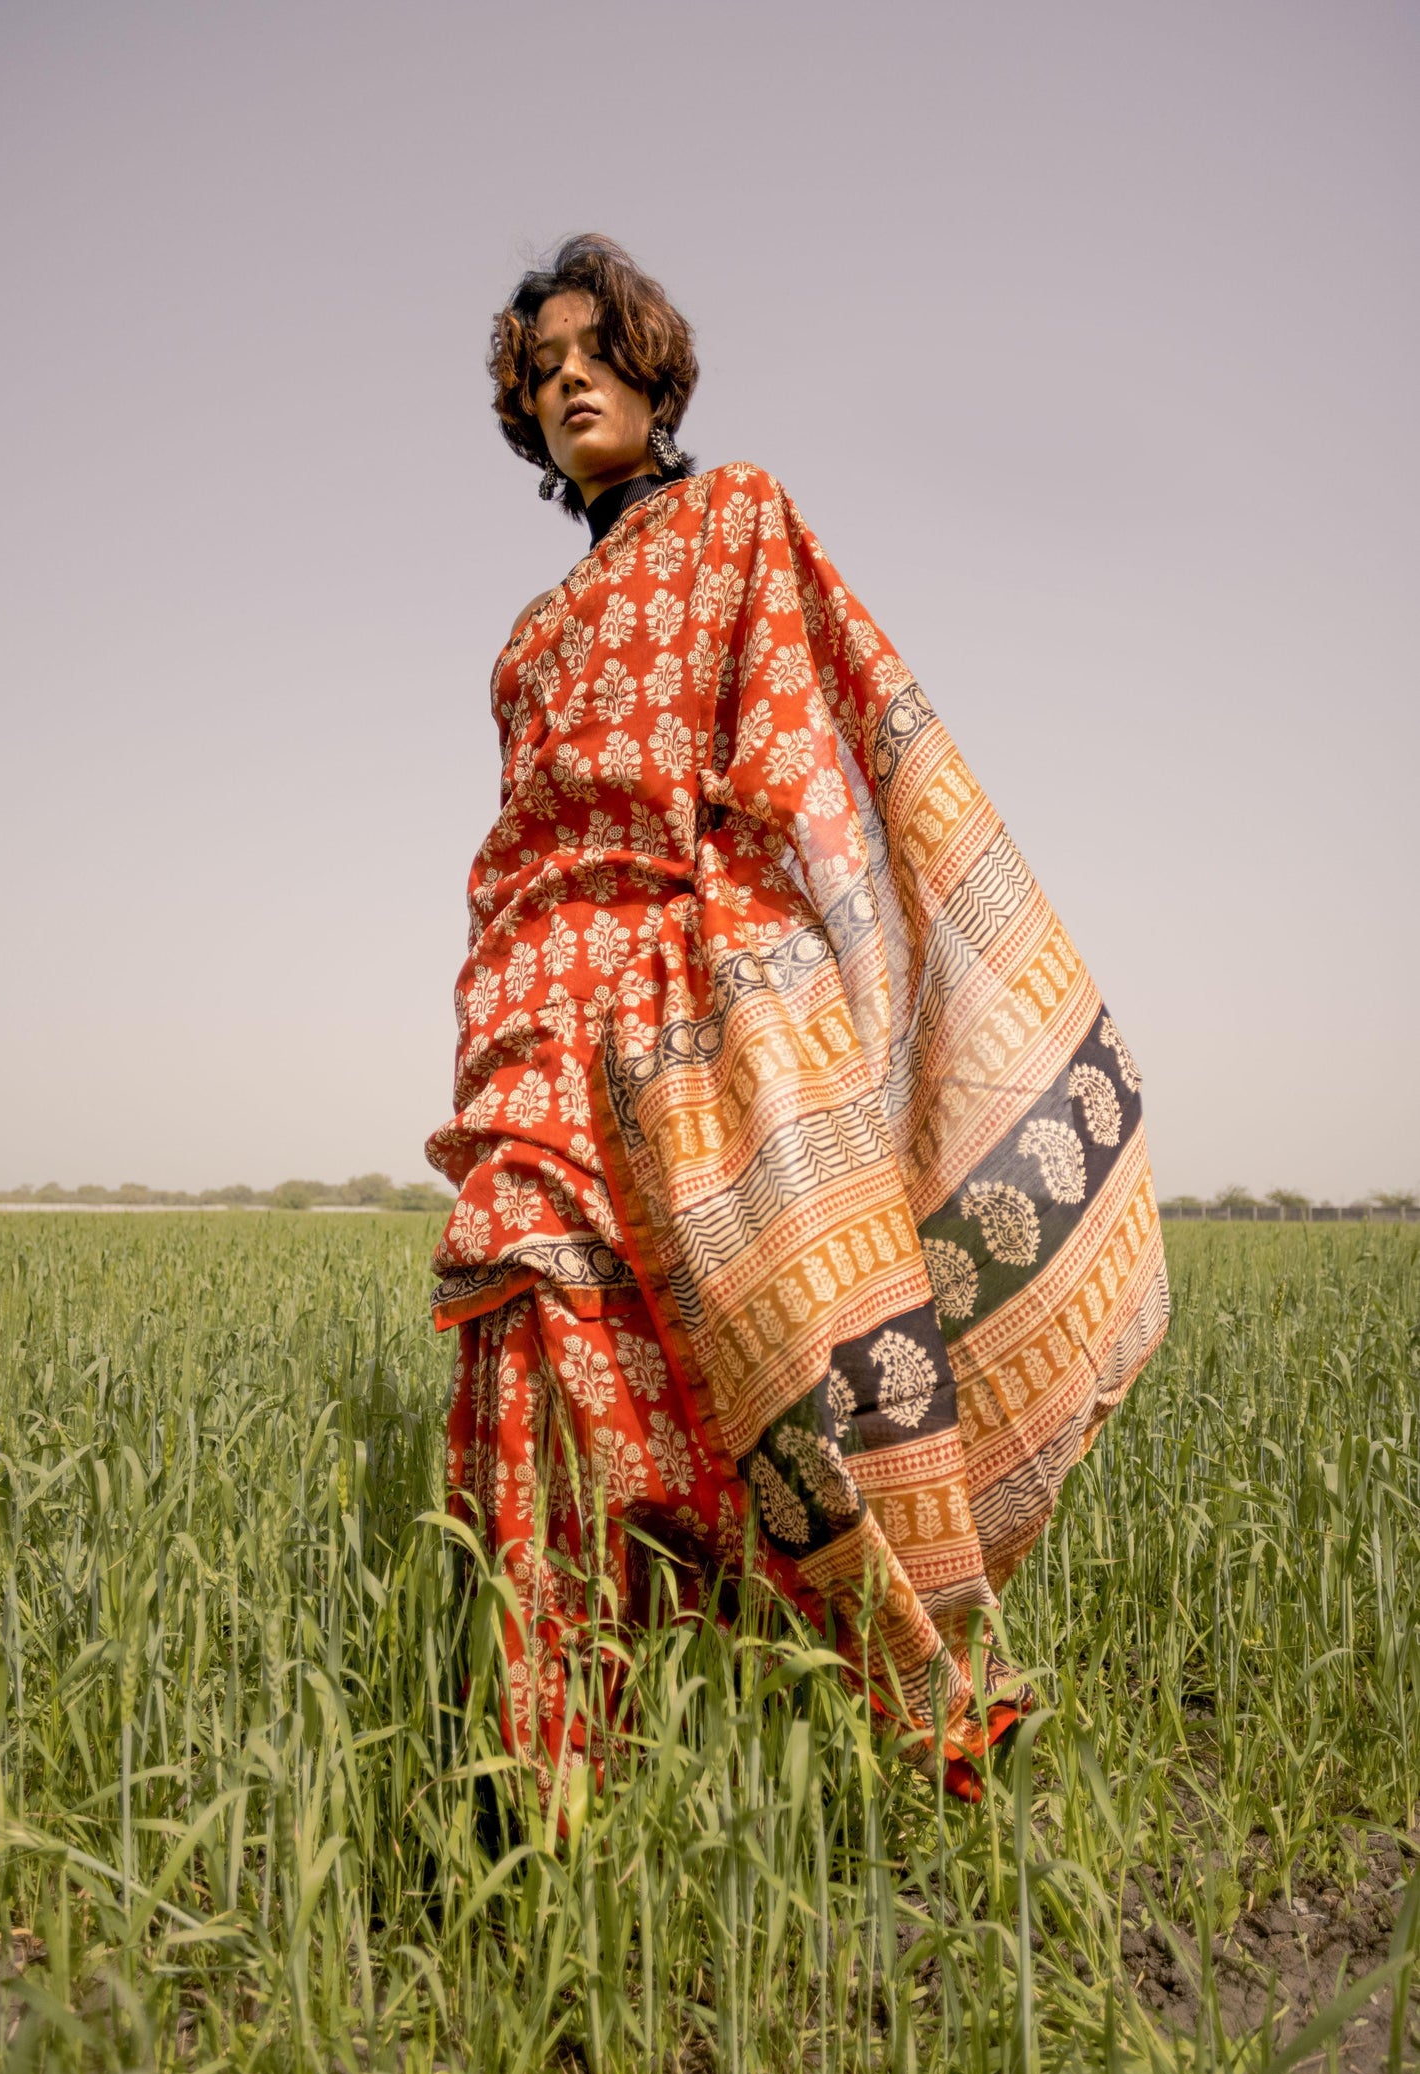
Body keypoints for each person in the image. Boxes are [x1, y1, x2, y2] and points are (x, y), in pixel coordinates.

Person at [426, 234, 1168, 1805]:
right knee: (531, 1342)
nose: (565, 377)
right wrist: (506, 990)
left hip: (692, 998)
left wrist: (787, 997)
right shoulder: (526, 642)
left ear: (648, 368)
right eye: (537, 364)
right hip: (536, 1024)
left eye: (591, 350)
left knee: (790, 1364)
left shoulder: (735, 516)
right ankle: (546, 1775)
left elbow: (799, 756)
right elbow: (515, 844)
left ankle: (903, 1694)